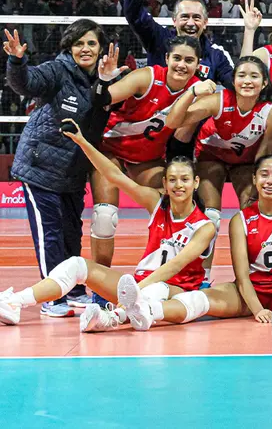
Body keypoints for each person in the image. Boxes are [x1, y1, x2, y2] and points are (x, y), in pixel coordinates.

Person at [0, 122, 214, 332]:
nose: (179, 185)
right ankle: (15, 302)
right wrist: (81, 141)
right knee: (77, 265)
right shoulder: (156, 202)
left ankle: (110, 317)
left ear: (195, 183)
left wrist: (134, 291)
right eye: (173, 180)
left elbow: (174, 267)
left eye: (184, 179)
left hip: (175, 291)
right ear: (165, 184)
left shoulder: (204, 226)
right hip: (138, 285)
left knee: (156, 289)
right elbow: (114, 175)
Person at [117, 155, 272, 331]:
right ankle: (146, 311)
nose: (270, 181)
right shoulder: (241, 220)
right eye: (264, 175)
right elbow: (243, 275)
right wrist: (258, 310)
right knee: (198, 298)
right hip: (246, 294)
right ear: (254, 179)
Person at [3, 22, 111, 316]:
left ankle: (73, 290)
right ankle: (52, 297)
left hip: (73, 173)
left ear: (100, 47)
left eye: (91, 43)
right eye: (79, 43)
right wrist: (16, 60)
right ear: (69, 47)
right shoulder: (57, 70)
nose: (85, 49)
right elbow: (25, 83)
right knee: (49, 234)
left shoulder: (102, 81)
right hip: (40, 168)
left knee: (70, 233)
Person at [163, 55, 272, 286]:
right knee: (211, 216)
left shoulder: (271, 112)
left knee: (252, 211)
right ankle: (201, 278)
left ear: (264, 83)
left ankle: (256, 276)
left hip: (245, 162)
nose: (247, 81)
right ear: (233, 80)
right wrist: (192, 93)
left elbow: (262, 155)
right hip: (212, 155)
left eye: (254, 76)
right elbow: (173, 122)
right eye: (241, 75)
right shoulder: (218, 100)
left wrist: (258, 190)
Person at [89, 37, 204, 276]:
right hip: (111, 150)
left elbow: (182, 136)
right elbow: (103, 98)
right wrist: (106, 78)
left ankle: (166, 275)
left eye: (189, 60)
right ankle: (101, 283)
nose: (182, 64)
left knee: (174, 208)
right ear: (167, 59)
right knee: (104, 216)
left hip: (148, 159)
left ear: (198, 64)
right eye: (177, 58)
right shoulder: (146, 77)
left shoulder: (198, 91)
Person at [124, 0, 233, 87]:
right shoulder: (159, 38)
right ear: (174, 21)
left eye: (196, 18)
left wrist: (249, 31)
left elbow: (236, 85)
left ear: (205, 23)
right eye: (185, 17)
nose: (191, 23)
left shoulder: (216, 55)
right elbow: (134, 14)